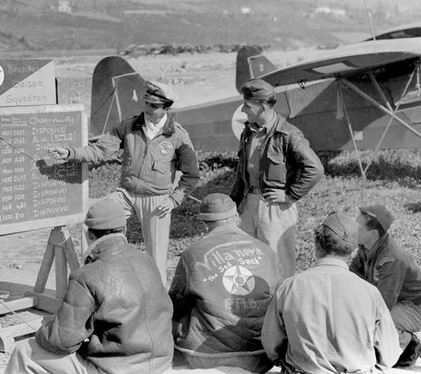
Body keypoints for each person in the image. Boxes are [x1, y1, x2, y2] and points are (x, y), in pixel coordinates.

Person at [50, 81, 200, 285]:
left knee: (156, 259)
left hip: (157, 200)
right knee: (94, 221)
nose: (147, 109)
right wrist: (70, 153)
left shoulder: (177, 136)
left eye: (154, 106)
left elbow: (192, 174)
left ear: (166, 108)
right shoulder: (128, 126)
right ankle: (93, 281)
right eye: (146, 103)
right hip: (126, 194)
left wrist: (174, 200)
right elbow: (99, 150)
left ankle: (158, 303)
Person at [5, 199, 174, 374]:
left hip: (117, 369)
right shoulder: (148, 261)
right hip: (160, 363)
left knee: (23, 350)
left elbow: (61, 341)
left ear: (89, 235)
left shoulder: (86, 275)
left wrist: (47, 328)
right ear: (125, 229)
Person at [261, 212, 401, 373]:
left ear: (316, 243)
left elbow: (271, 346)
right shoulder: (370, 293)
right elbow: (389, 355)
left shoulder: (289, 288)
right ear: (352, 250)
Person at [169, 193, 279, 373]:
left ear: (204, 222)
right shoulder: (266, 251)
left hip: (207, 357)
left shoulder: (192, 254)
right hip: (261, 355)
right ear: (236, 217)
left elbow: (175, 303)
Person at [230, 78, 324, 278]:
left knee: (279, 266)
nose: (243, 111)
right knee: (248, 262)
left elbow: (315, 169)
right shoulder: (248, 132)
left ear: (262, 106)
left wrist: (289, 196)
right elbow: (242, 171)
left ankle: (281, 306)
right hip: (249, 204)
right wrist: (234, 203)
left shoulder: (288, 134)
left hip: (275, 208)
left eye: (247, 105)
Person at [350, 204, 421, 368]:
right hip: (396, 302)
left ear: (373, 233)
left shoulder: (391, 258)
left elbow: (383, 306)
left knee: (380, 325)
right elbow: (352, 277)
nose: (353, 230)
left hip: (417, 308)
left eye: (358, 227)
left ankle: (410, 344)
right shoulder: (366, 247)